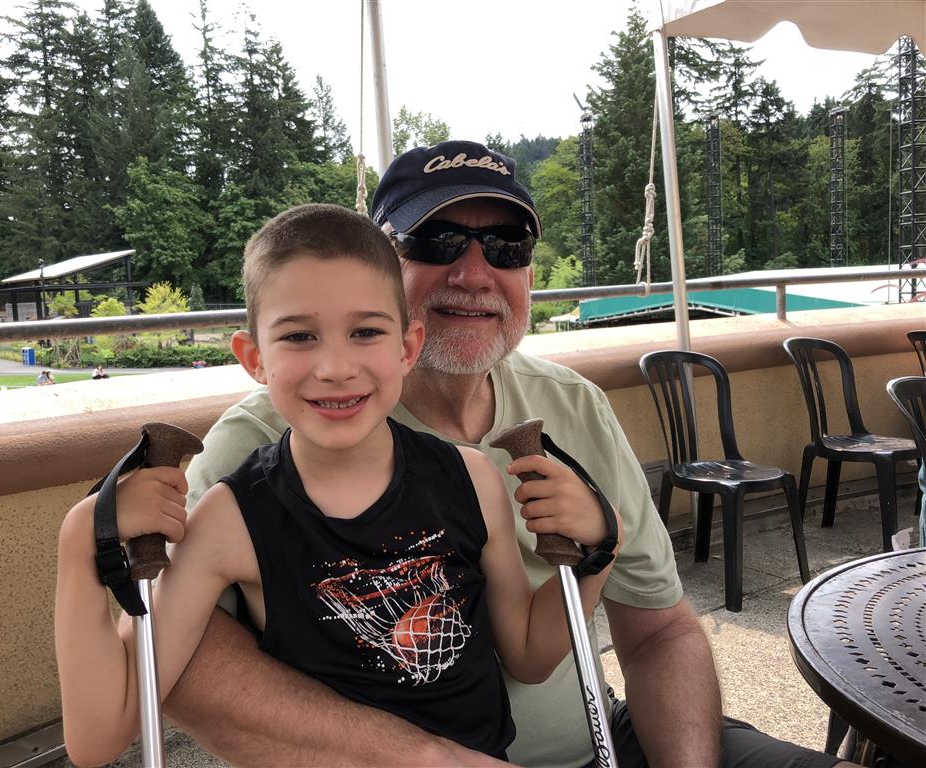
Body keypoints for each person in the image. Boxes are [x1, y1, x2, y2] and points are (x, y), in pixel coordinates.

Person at [170, 141, 855, 768]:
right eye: (436, 240)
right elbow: (178, 664)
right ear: (378, 264)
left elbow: (658, 633)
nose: (474, 273)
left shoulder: (571, 404)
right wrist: (427, 757)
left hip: (603, 741)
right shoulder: (261, 444)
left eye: (507, 246)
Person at [54, 203, 620, 766]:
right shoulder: (231, 520)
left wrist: (599, 547)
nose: (335, 367)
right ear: (254, 358)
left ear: (407, 347)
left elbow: (529, 656)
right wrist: (81, 543)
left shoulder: (472, 480)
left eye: (366, 332)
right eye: (300, 336)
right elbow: (101, 735)